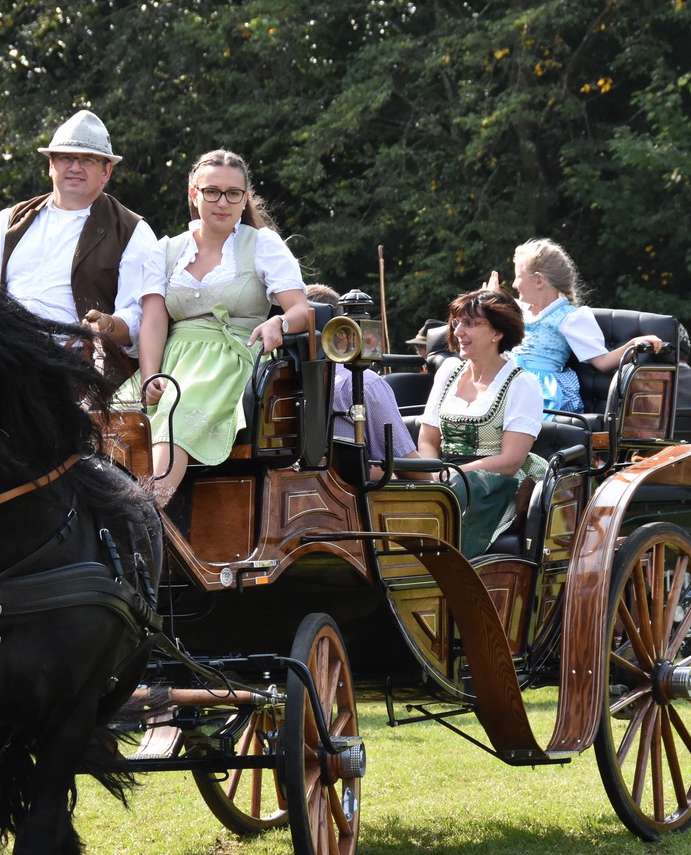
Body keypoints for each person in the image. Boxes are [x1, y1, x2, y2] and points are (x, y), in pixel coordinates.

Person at [136, 150, 311, 501]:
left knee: (177, 410)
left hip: (232, 360)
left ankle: (148, 516)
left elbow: (302, 311)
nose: (223, 202)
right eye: (211, 191)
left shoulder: (261, 244)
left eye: (234, 193)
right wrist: (149, 376)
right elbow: (153, 320)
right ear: (193, 194)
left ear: (245, 198)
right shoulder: (167, 250)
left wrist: (278, 321)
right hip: (173, 359)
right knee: (110, 414)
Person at [0, 109, 164, 355]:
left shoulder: (132, 231)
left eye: (88, 159)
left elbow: (139, 318)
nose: (75, 167)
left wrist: (106, 325)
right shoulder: (8, 221)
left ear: (106, 172)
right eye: (66, 157)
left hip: (77, 364)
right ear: (51, 165)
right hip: (4, 357)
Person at [415, 289, 545, 556]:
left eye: (471, 324)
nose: (458, 331)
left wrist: (455, 475)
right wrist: (430, 476)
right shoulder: (448, 372)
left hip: (495, 484)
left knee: (453, 496)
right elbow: (427, 440)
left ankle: (442, 571)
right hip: (443, 473)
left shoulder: (522, 384)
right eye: (457, 322)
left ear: (497, 333)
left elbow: (510, 461)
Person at [493, 238, 663, 413]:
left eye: (518, 277)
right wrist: (490, 301)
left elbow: (603, 362)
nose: (513, 284)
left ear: (538, 281)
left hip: (539, 388)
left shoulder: (570, 318)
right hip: (509, 378)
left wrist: (632, 344)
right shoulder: (518, 309)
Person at [305, 284, 418, 470]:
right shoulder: (364, 383)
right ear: (340, 329)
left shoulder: (279, 383)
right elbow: (407, 464)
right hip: (358, 492)